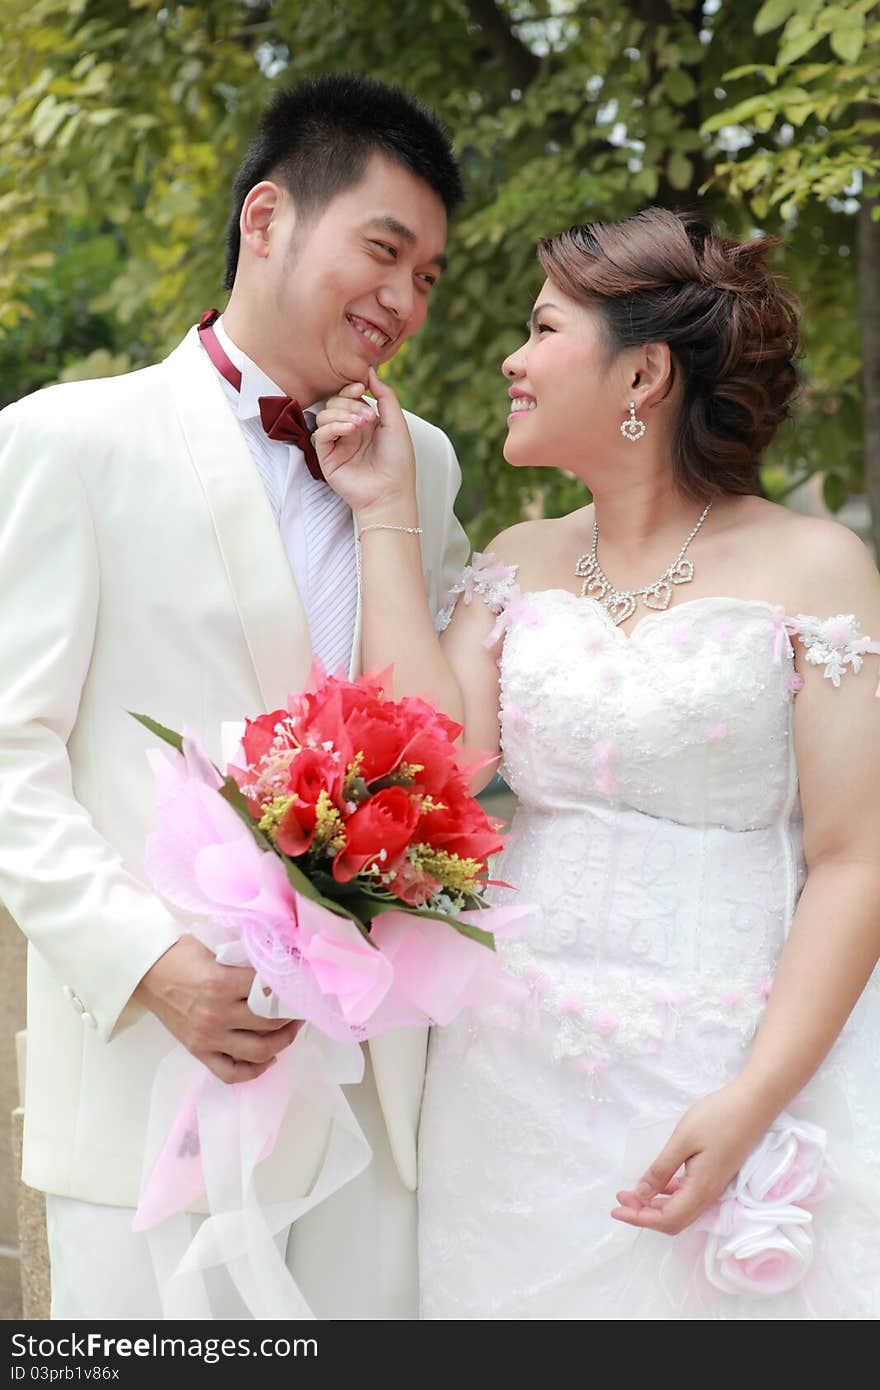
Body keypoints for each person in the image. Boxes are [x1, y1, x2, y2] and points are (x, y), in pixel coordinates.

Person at [313, 207, 880, 1319]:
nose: (512, 362)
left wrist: (755, 1095)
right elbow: (437, 770)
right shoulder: (520, 562)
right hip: (508, 1082)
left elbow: (855, 858)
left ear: (643, 377)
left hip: (738, 1056)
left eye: (541, 329)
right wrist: (383, 512)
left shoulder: (815, 566)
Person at [0, 71, 468, 1321]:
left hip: (373, 1086)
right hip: (162, 1080)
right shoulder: (69, 440)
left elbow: (434, 744)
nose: (405, 300)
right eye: (384, 250)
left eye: (429, 275)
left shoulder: (420, 463)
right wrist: (150, 962)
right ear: (265, 219)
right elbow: (11, 755)